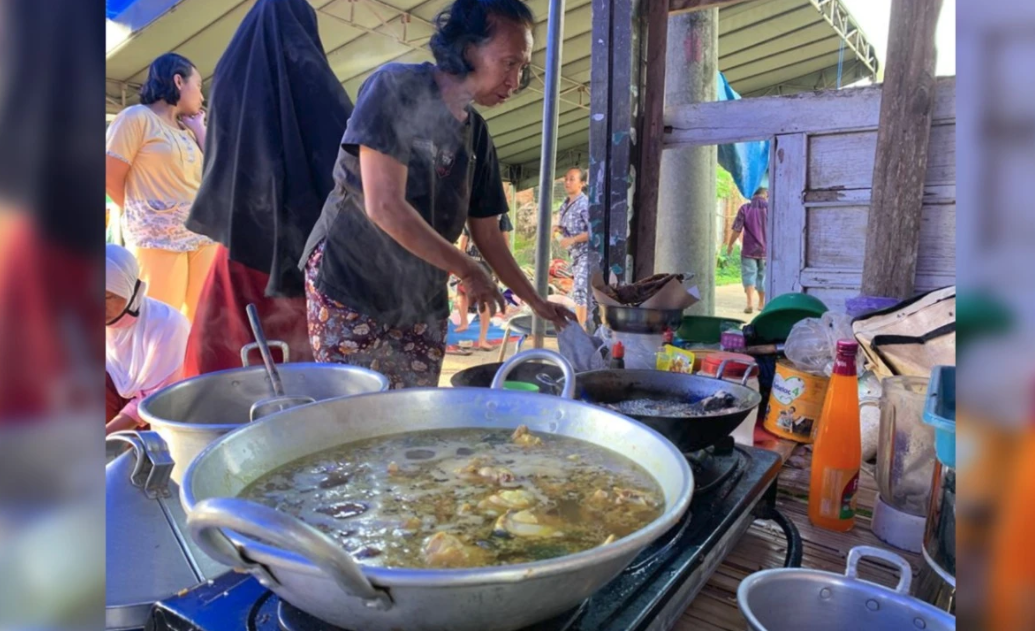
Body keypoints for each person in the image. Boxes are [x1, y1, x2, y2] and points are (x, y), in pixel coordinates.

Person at [301, 0, 574, 389]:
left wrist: (535, 301)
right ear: (467, 50)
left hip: (419, 296)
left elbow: (490, 235)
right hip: (351, 281)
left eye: (522, 67)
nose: (516, 81)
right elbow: (384, 206)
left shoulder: (476, 134)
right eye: (509, 63)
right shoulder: (395, 88)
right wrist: (468, 269)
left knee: (417, 416)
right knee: (355, 417)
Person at [181, 0, 354, 376]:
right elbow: (344, 162)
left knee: (226, 358)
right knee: (306, 374)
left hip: (241, 244)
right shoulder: (312, 76)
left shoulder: (229, 74)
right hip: (305, 251)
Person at [105, 53, 217, 323]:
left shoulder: (188, 131)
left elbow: (215, 173)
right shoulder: (135, 118)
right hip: (157, 239)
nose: (202, 97)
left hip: (202, 236)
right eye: (198, 86)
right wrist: (148, 215)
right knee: (160, 320)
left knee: (203, 321)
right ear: (178, 81)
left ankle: (198, 368)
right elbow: (109, 175)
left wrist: (200, 130)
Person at [105, 244, 190, 436]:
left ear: (128, 290)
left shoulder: (166, 326)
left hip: (161, 412)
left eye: (107, 296)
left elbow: (156, 401)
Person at [455, 214, 513, 351]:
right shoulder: (471, 215)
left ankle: (481, 338)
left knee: (482, 299)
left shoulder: (500, 216)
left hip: (485, 263)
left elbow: (505, 241)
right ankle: (466, 324)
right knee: (463, 293)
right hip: (474, 262)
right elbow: (463, 241)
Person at [554, 167, 594, 326]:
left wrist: (573, 239)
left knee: (580, 291)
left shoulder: (585, 204)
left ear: (582, 183)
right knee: (580, 291)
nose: (567, 182)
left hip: (586, 254)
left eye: (572, 179)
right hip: (574, 256)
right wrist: (558, 230)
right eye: (566, 179)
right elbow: (567, 227)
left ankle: (582, 330)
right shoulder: (565, 204)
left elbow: (594, 231)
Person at [726, 186, 769, 314]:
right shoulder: (771, 208)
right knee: (763, 276)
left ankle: (749, 303)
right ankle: (761, 303)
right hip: (767, 250)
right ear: (765, 194)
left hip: (749, 250)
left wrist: (730, 244)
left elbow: (737, 229)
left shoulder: (745, 208)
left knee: (749, 275)